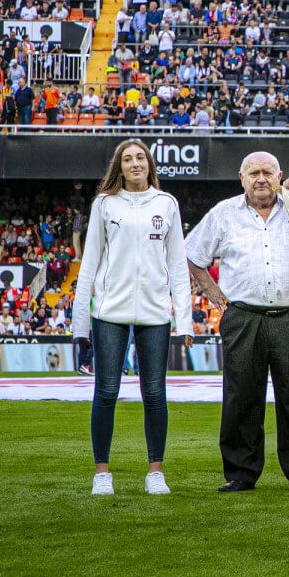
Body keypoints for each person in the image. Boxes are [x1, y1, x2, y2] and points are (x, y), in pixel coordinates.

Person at [186, 152, 289, 492]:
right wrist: (215, 294)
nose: (261, 179)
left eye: (268, 172)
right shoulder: (223, 214)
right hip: (243, 317)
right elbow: (192, 255)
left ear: (280, 176)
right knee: (241, 396)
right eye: (254, 173)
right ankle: (240, 473)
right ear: (241, 177)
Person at [71, 139, 194, 496]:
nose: (135, 163)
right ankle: (102, 473)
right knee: (106, 391)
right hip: (110, 312)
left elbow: (177, 267)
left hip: (156, 314)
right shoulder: (104, 205)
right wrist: (81, 324)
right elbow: (89, 262)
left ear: (149, 164)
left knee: (155, 393)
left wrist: (184, 321)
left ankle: (155, 471)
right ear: (119, 167)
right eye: (127, 159)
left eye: (140, 157)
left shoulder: (166, 204)